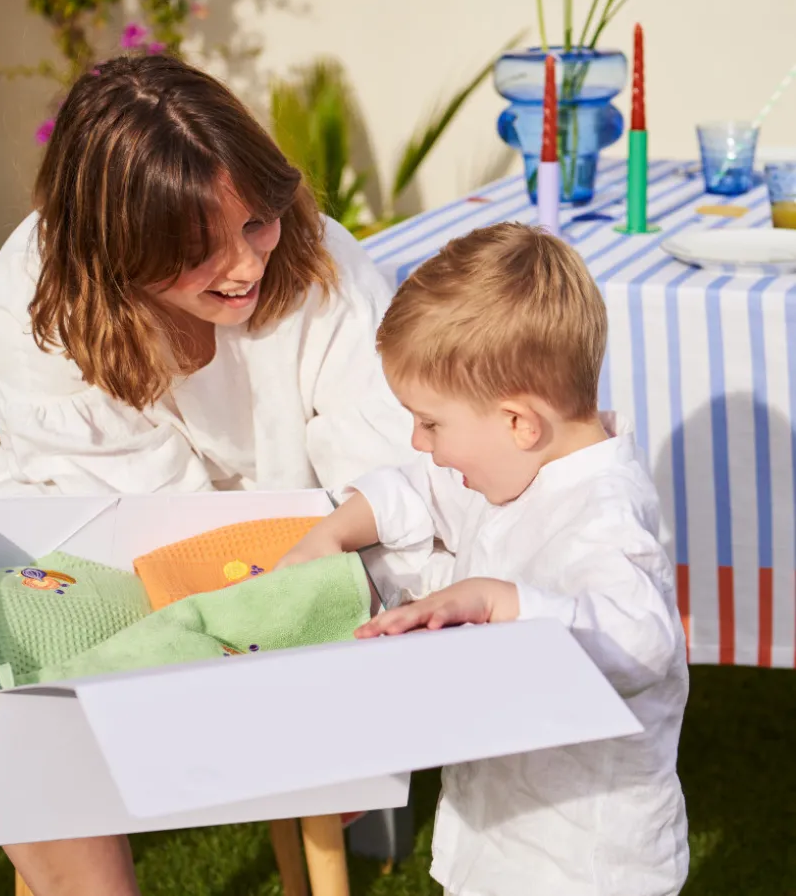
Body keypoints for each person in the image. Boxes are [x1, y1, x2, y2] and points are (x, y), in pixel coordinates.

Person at [0, 54, 437, 894]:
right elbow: (130, 512)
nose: (245, 266)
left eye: (257, 222)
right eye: (198, 252)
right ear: (116, 250)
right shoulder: (35, 294)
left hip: (293, 545)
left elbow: (389, 475)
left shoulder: (325, 271)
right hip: (101, 514)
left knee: (4, 675)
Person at [280, 223, 690, 896]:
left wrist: (500, 601)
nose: (419, 441)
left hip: (580, 863)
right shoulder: (512, 464)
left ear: (518, 422)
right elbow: (419, 486)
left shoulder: (603, 515)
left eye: (430, 422)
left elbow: (642, 642)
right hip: (502, 831)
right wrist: (331, 534)